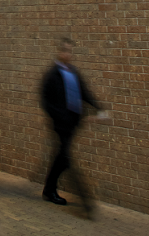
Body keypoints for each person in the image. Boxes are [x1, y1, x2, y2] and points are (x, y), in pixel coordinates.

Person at [40, 37, 103, 212]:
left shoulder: (73, 72)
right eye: (66, 51)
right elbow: (46, 100)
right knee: (64, 157)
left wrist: (98, 108)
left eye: (70, 51)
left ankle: (49, 189)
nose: (69, 54)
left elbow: (84, 92)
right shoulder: (52, 74)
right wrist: (58, 116)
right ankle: (64, 195)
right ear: (60, 52)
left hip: (73, 122)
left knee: (63, 157)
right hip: (61, 123)